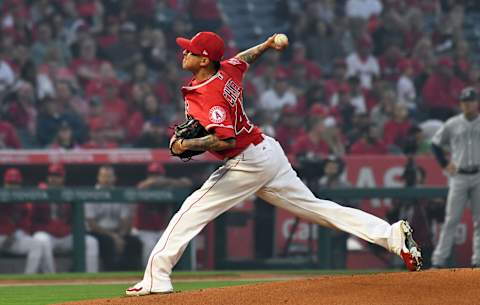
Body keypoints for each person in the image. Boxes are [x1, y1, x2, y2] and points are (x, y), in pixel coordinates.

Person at [126, 32, 422, 296]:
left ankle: (157, 277)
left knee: (191, 210)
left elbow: (225, 141)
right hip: (267, 151)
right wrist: (267, 44)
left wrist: (186, 145)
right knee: (319, 209)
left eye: (189, 51)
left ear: (204, 60)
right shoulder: (226, 70)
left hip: (247, 161)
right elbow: (244, 58)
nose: (184, 53)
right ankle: (391, 235)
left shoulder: (210, 94)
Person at [430, 87, 480, 268]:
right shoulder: (452, 124)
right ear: (461, 104)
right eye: (465, 101)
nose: (468, 104)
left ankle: (478, 261)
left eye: (471, 101)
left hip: (478, 175)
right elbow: (435, 144)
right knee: (451, 219)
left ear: (477, 103)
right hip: (459, 175)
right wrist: (444, 164)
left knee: (479, 221)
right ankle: (439, 260)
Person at [31, 163, 99, 273]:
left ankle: (92, 277)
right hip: (48, 236)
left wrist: (68, 229)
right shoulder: (40, 193)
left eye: (57, 176)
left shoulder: (69, 194)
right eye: (51, 175)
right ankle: (51, 278)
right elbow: (32, 219)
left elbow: (76, 220)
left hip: (65, 236)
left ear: (63, 178)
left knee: (91, 242)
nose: (53, 179)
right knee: (42, 240)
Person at [134, 162, 192, 267]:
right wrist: (154, 182)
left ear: (162, 175)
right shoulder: (143, 186)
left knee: (174, 246)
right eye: (152, 175)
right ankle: (147, 275)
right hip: (143, 230)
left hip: (161, 229)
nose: (155, 177)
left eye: (157, 175)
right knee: (150, 247)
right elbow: (141, 186)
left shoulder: (168, 188)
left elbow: (187, 183)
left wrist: (166, 182)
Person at [85, 165, 142, 271]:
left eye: (109, 177)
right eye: (104, 176)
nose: (106, 180)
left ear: (114, 178)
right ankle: (107, 277)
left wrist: (119, 236)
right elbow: (91, 224)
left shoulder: (120, 194)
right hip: (98, 233)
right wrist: (113, 237)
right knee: (108, 243)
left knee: (134, 242)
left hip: (117, 232)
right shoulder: (91, 194)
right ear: (98, 178)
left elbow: (125, 219)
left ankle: (133, 277)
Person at [0, 168, 50, 273]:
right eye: (10, 183)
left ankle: (28, 278)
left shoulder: (23, 202)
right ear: (5, 183)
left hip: (14, 238)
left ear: (20, 183)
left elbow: (25, 225)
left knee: (37, 245)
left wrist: (15, 234)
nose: (13, 186)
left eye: (15, 183)